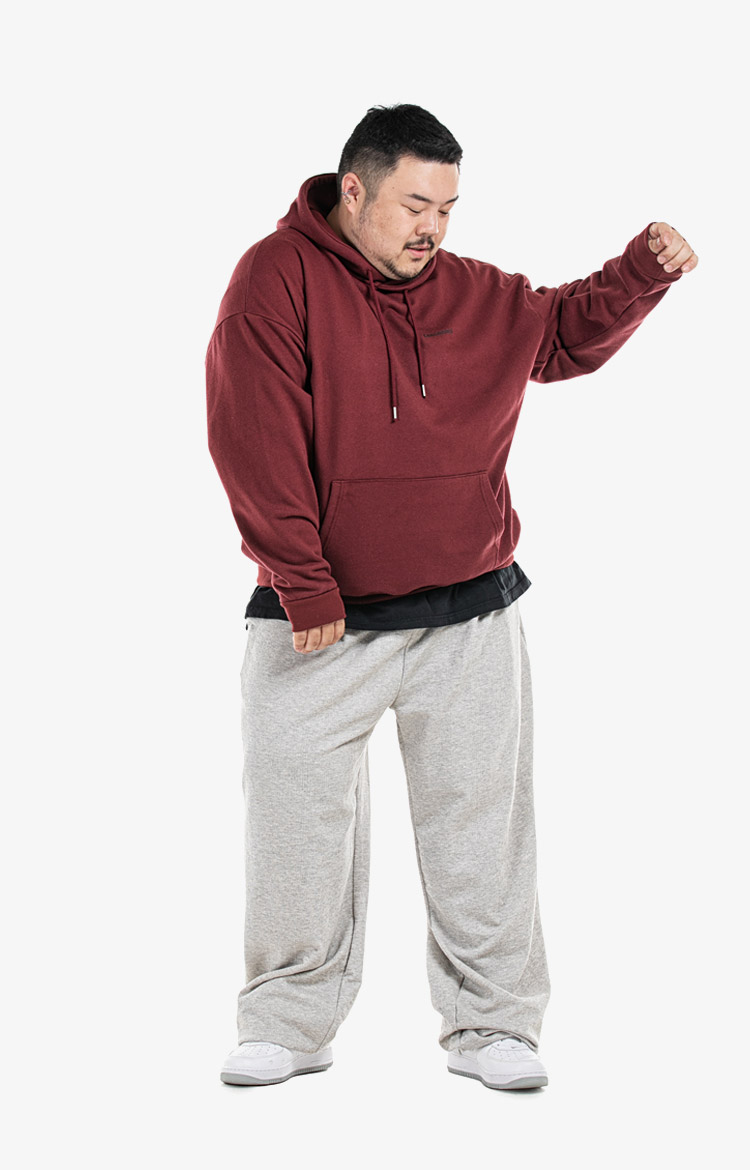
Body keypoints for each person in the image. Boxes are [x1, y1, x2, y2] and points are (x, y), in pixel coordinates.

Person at [205, 103, 697, 1092]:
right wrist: (303, 579)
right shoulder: (275, 278)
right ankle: (289, 1020)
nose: (432, 226)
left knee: (481, 830)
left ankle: (494, 1025)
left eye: (448, 207)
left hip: (470, 613)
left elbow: (559, 334)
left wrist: (641, 271)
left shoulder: (473, 293)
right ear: (353, 190)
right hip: (319, 622)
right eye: (413, 204)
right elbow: (250, 433)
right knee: (296, 829)